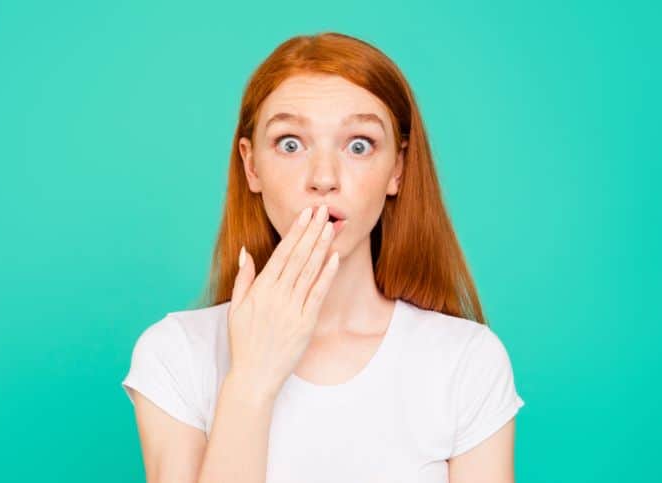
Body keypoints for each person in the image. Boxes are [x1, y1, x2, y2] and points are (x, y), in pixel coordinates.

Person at [121, 31, 525, 483]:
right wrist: (251, 383)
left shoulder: (467, 361)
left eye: (359, 145)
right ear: (251, 166)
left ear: (398, 169)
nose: (324, 178)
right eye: (291, 143)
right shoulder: (175, 354)